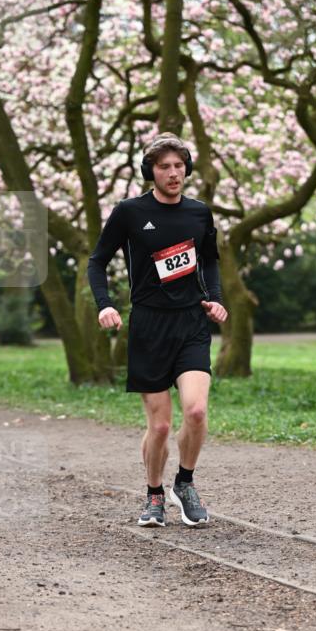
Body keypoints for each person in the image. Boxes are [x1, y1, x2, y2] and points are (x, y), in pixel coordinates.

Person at [87, 132, 228, 528]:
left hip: (190, 322)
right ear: (151, 171)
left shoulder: (199, 213)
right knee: (161, 425)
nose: (173, 173)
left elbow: (211, 261)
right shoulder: (130, 212)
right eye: (164, 166)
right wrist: (106, 305)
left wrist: (214, 297)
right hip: (148, 325)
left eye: (179, 166)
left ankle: (184, 483)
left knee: (197, 411)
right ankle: (153, 494)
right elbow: (96, 262)